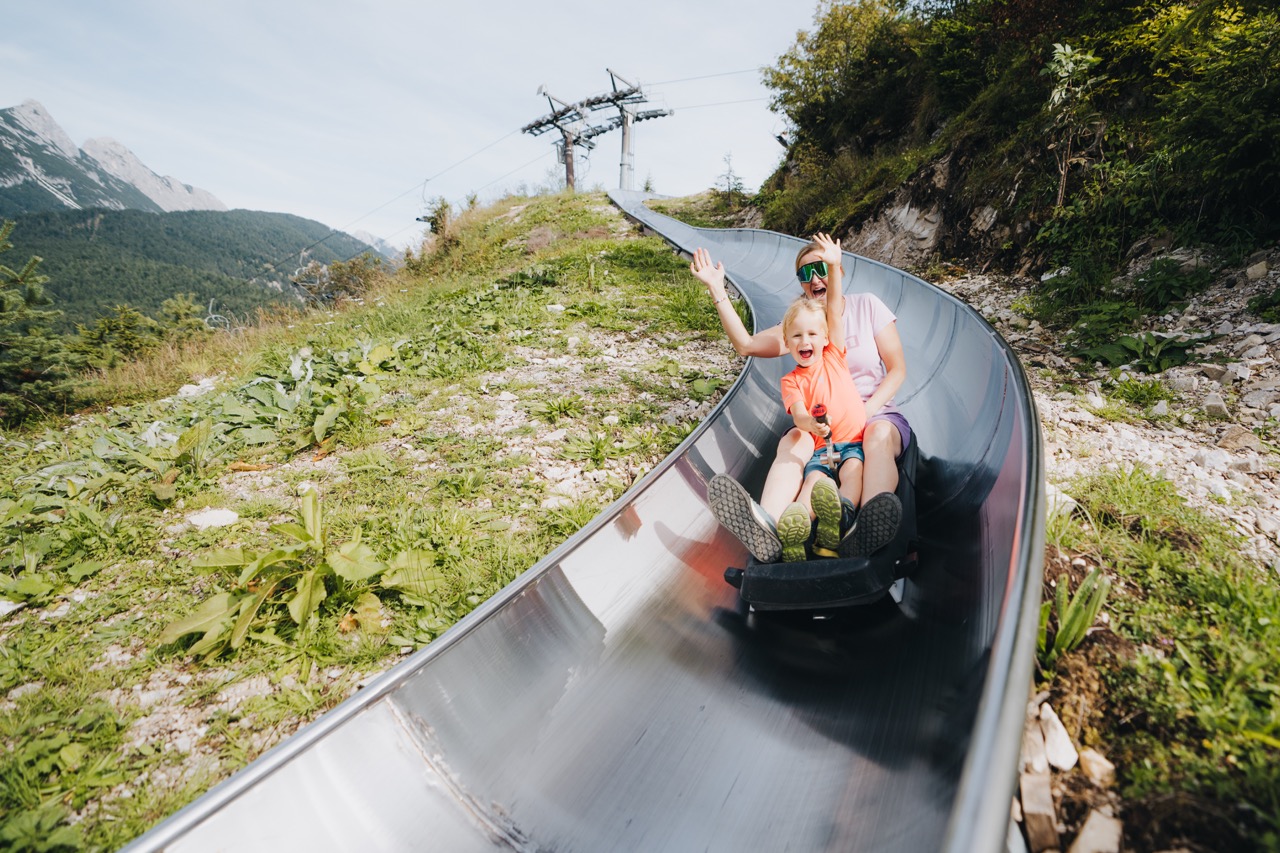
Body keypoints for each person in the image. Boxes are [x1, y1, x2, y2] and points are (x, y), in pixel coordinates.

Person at [691, 232, 910, 563]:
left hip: (872, 413)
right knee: (796, 437)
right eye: (804, 274)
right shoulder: (800, 327)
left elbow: (897, 369)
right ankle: (772, 524)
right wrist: (717, 289)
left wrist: (867, 412)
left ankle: (865, 524)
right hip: (820, 428)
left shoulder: (859, 311)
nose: (814, 278)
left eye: (820, 268)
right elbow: (747, 345)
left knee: (876, 436)